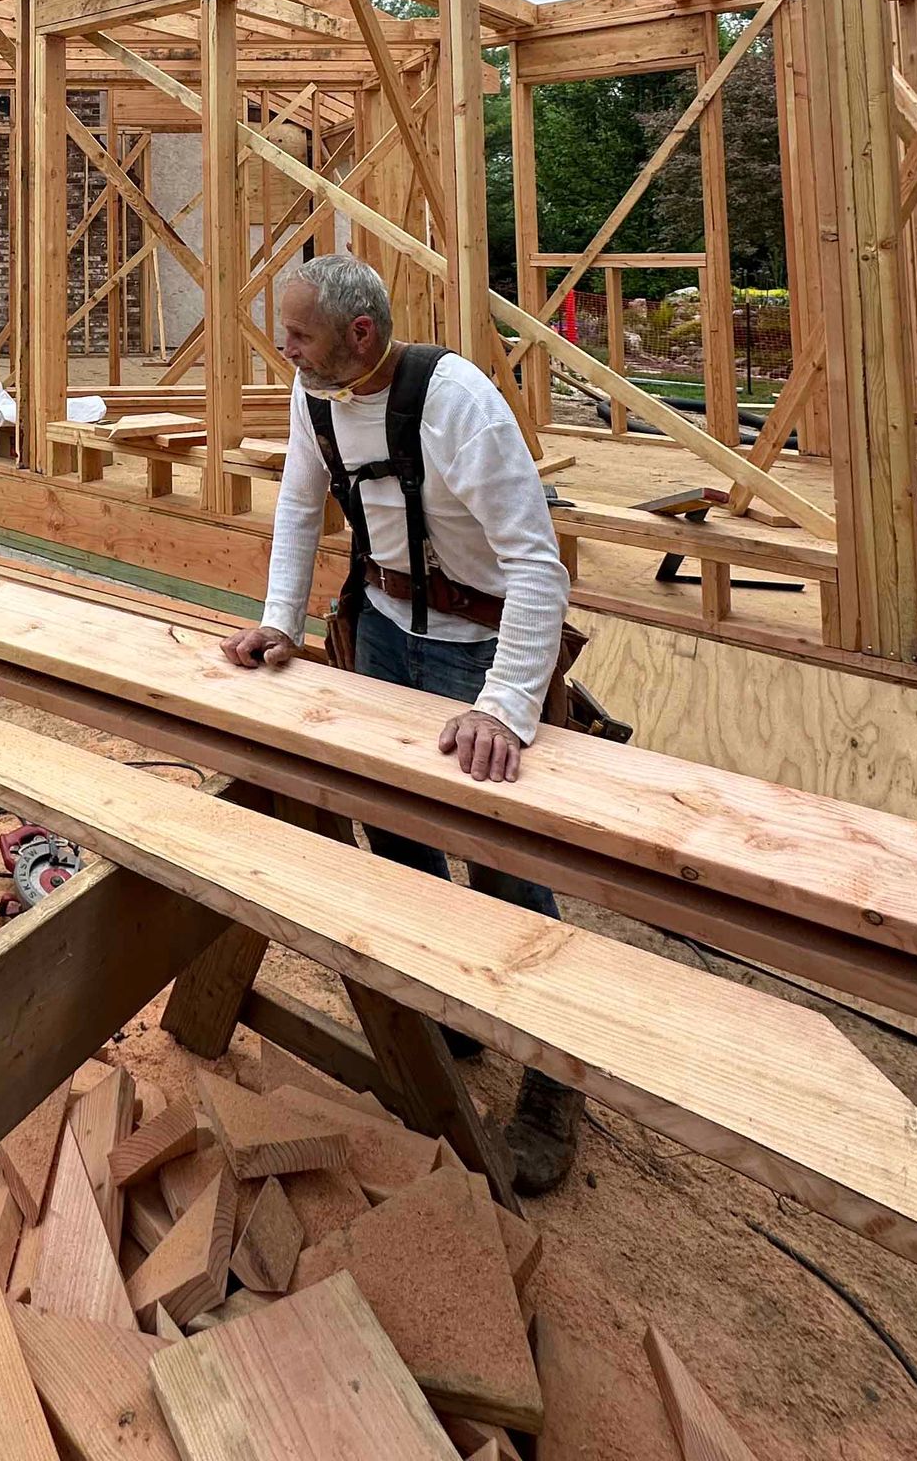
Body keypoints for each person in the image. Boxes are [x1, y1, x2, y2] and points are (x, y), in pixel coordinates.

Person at [222, 250, 582, 1191]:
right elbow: (300, 513)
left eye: (297, 335)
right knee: (397, 835)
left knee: (501, 853)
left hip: (476, 653)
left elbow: (540, 568)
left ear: (361, 337)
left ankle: (552, 1080)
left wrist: (504, 706)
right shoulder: (313, 398)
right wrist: (278, 624)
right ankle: (451, 1005)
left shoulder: (456, 401)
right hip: (380, 634)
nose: (283, 349)